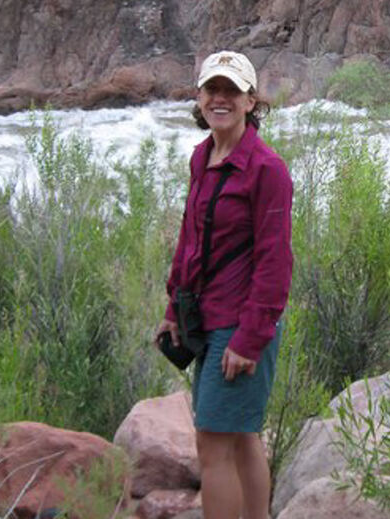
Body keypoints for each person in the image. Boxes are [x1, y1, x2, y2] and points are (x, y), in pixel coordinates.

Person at [155, 50, 293, 519]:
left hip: (241, 325)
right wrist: (175, 306)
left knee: (213, 445)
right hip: (205, 315)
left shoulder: (267, 170)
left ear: (251, 102)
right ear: (199, 97)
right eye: (213, 89)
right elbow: (190, 237)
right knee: (241, 437)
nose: (221, 99)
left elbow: (275, 262)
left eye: (232, 91)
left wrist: (250, 339)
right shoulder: (203, 157)